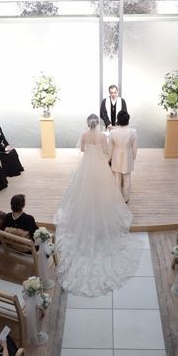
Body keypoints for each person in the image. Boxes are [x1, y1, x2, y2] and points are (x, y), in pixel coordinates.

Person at [55, 114, 138, 297]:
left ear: (87, 124)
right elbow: (107, 151)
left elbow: (82, 149)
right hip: (100, 164)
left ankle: (86, 212)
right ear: (98, 124)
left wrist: (91, 153)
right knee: (104, 188)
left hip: (87, 165)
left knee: (83, 188)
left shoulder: (84, 135)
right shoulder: (102, 136)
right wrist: (101, 155)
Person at [108, 110, 138, 203]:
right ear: (128, 120)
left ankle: (117, 198)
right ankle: (126, 198)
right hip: (128, 157)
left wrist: (109, 158)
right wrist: (133, 157)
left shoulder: (113, 132)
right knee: (127, 179)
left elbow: (110, 147)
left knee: (116, 178)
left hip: (116, 157)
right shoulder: (133, 132)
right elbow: (134, 147)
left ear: (118, 119)